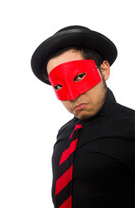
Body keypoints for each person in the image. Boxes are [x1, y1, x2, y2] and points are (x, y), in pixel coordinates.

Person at [31, 25, 134, 208]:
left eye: (78, 77)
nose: (71, 96)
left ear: (104, 70)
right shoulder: (65, 134)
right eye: (59, 86)